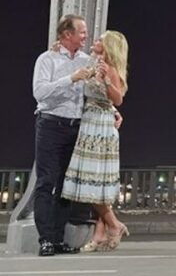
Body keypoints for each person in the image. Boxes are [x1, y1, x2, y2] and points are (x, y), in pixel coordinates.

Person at [61, 31, 130, 252]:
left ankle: (113, 225)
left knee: (94, 183)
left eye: (100, 40)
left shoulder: (108, 68)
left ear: (109, 46)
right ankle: (103, 232)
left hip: (100, 128)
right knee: (93, 182)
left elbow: (117, 97)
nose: (95, 41)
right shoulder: (92, 62)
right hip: (89, 124)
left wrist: (107, 80)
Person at [32, 15, 93, 256]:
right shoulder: (47, 59)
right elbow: (39, 93)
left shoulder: (87, 61)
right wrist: (71, 78)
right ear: (67, 34)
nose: (85, 36)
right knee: (46, 182)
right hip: (50, 125)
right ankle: (45, 239)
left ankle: (58, 239)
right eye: (82, 31)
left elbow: (96, 93)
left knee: (67, 186)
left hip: (75, 127)